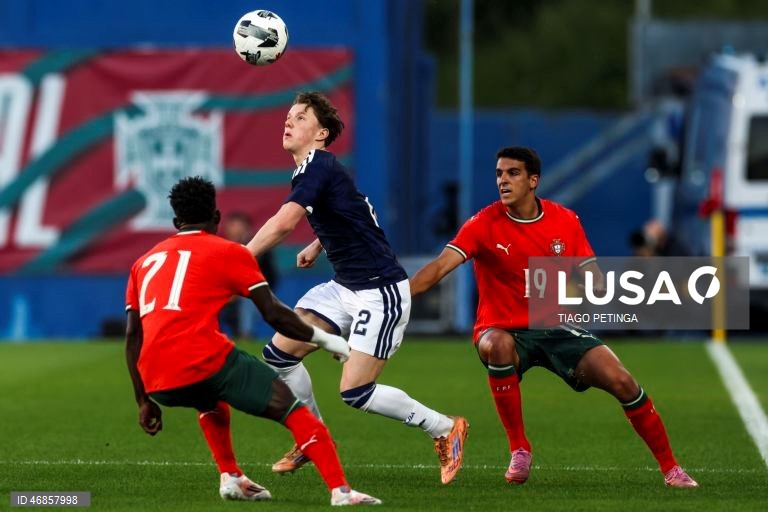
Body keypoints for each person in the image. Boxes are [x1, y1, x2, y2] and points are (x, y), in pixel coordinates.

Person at [409, 146, 698, 488]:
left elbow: (592, 276)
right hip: (503, 329)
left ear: (533, 180)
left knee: (622, 381)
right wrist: (398, 297)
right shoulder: (482, 224)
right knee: (498, 345)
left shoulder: (565, 219)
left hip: (555, 325)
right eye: (499, 173)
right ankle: (519, 449)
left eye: (513, 173)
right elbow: (441, 266)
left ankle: (671, 469)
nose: (503, 180)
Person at [245, 91, 468, 485]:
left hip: (380, 291)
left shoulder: (317, 166)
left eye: (300, 117)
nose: (288, 121)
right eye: (288, 115)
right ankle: (312, 437)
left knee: (355, 391)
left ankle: (444, 427)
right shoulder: (317, 171)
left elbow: (283, 223)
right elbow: (364, 208)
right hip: (344, 288)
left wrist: (237, 258)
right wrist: (319, 242)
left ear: (321, 134)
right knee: (280, 355)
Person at [125, 176, 381, 505]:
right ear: (217, 218)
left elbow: (133, 335)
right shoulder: (229, 252)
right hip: (203, 359)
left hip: (156, 379)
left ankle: (231, 477)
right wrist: (328, 340)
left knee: (209, 400)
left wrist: (143, 400)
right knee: (295, 410)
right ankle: (341, 492)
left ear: (176, 222)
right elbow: (274, 314)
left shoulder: (143, 262)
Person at [219, 211, 280, 338]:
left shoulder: (258, 244)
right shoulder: (222, 245)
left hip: (257, 291)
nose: (233, 229)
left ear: (246, 228)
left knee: (248, 301)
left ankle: (245, 334)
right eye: (231, 225)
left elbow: (252, 274)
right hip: (231, 292)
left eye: (237, 225)